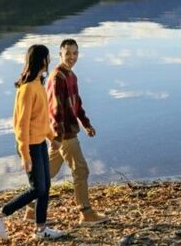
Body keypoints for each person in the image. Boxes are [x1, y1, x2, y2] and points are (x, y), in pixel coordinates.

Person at [0, 44, 66, 241]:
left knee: (45, 187)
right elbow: (21, 124)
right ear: (41, 60)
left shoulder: (38, 84)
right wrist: (24, 153)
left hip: (39, 143)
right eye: (47, 57)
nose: (50, 61)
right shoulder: (27, 88)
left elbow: (41, 120)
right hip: (29, 145)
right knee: (37, 188)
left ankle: (41, 229)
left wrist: (52, 138)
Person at [25, 38, 110, 225]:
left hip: (64, 133)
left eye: (75, 53)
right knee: (81, 170)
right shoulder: (57, 77)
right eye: (68, 53)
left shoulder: (71, 76)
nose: (72, 57)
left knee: (48, 172)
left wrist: (86, 123)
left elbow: (76, 103)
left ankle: (31, 210)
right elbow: (55, 110)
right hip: (64, 134)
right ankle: (85, 213)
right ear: (60, 54)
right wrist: (58, 135)